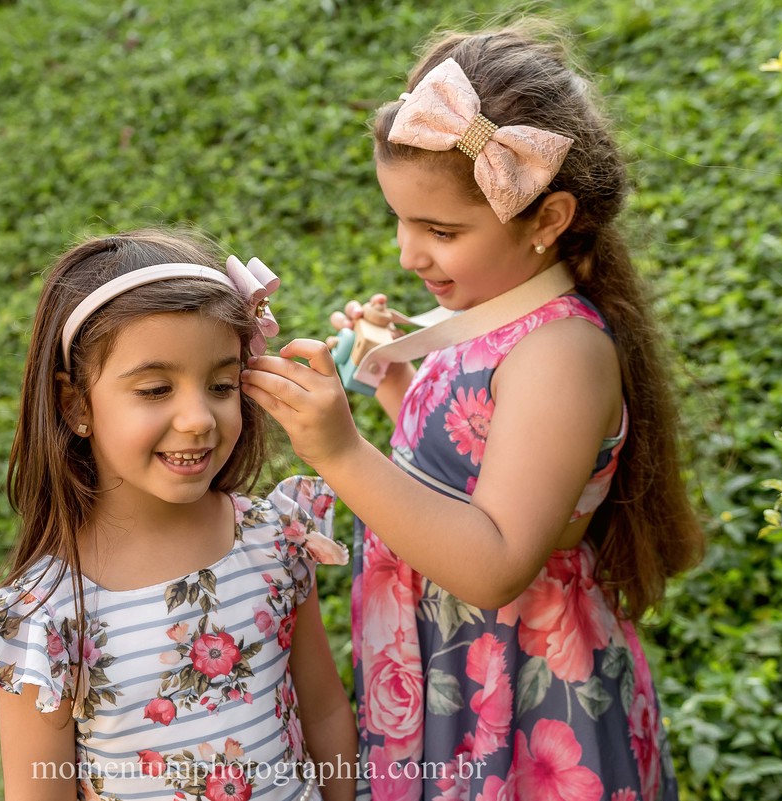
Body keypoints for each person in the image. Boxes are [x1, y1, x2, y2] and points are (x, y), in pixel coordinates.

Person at [241, 21, 703, 801]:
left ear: (547, 220)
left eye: (441, 230)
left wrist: (342, 452)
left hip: (524, 696)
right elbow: (473, 467)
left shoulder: (562, 353)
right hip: (453, 669)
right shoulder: (498, 312)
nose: (408, 253)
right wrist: (398, 382)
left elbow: (493, 565)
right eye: (401, 219)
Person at [0, 229, 357, 801]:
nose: (198, 418)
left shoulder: (276, 539)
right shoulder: (49, 616)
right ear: (75, 404)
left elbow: (324, 710)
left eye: (221, 385)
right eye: (157, 389)